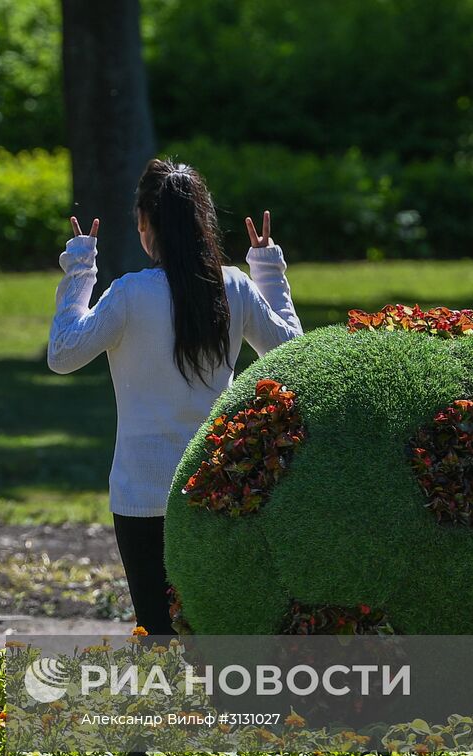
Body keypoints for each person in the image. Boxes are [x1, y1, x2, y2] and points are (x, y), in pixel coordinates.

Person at [48, 158, 303, 636]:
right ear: (202, 221)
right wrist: (268, 266)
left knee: (157, 633)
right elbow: (292, 351)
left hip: (142, 494)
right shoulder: (234, 286)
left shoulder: (128, 294)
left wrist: (81, 266)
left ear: (145, 224)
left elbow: (63, 353)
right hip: (216, 488)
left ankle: (170, 712)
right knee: (218, 629)